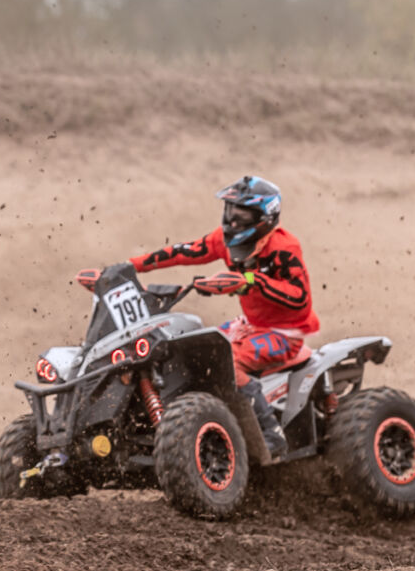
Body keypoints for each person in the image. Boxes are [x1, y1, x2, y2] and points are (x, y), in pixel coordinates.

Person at [129, 176, 318, 458]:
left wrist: (250, 281)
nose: (233, 221)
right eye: (230, 211)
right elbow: (182, 252)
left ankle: (271, 434)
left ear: (265, 217)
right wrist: (128, 268)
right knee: (193, 348)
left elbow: (300, 298)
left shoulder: (284, 248)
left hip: (285, 332)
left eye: (242, 215)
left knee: (228, 361)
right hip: (249, 325)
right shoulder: (223, 240)